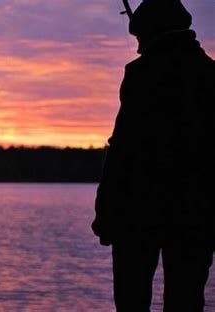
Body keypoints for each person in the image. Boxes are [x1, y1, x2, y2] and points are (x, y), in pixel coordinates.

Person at [92, 0, 214, 311]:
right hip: (197, 215)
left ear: (150, 34)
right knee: (187, 300)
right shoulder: (210, 74)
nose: (137, 48)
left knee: (132, 300)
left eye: (139, 40)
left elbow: (123, 148)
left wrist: (105, 213)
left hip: (137, 213)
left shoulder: (141, 74)